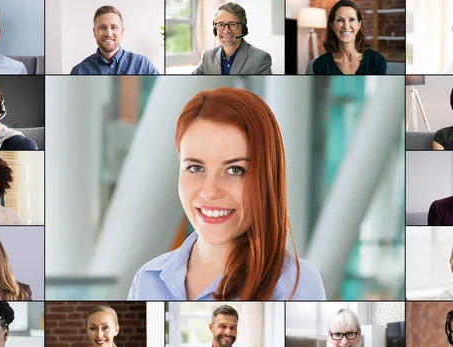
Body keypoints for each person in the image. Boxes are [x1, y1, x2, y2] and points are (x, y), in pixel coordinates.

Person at [127, 87, 326, 300]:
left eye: (235, 170)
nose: (210, 191)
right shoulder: (148, 279)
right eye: (195, 168)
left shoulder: (296, 283)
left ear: (267, 177)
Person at [71, 6, 158, 75]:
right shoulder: (79, 71)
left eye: (114, 27)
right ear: (94, 32)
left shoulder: (143, 66)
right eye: (102, 27)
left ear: (122, 32)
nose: (108, 33)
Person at [192, 2, 272, 75]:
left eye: (233, 24)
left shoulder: (261, 59)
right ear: (215, 29)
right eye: (220, 24)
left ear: (243, 28)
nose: (226, 31)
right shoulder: (208, 56)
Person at [312, 0, 386, 75]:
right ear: (332, 26)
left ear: (359, 24)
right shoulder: (321, 64)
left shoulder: (377, 61)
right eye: (340, 20)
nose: (346, 26)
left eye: (351, 19)